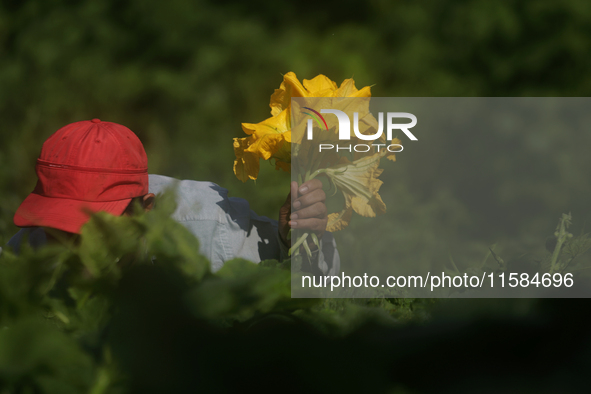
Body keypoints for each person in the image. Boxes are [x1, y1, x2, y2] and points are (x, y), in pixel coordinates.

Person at [5, 119, 339, 274]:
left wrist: (296, 240)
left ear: (147, 209)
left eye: (92, 230)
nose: (71, 245)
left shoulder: (209, 229)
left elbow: (315, 285)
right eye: (60, 228)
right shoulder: (33, 244)